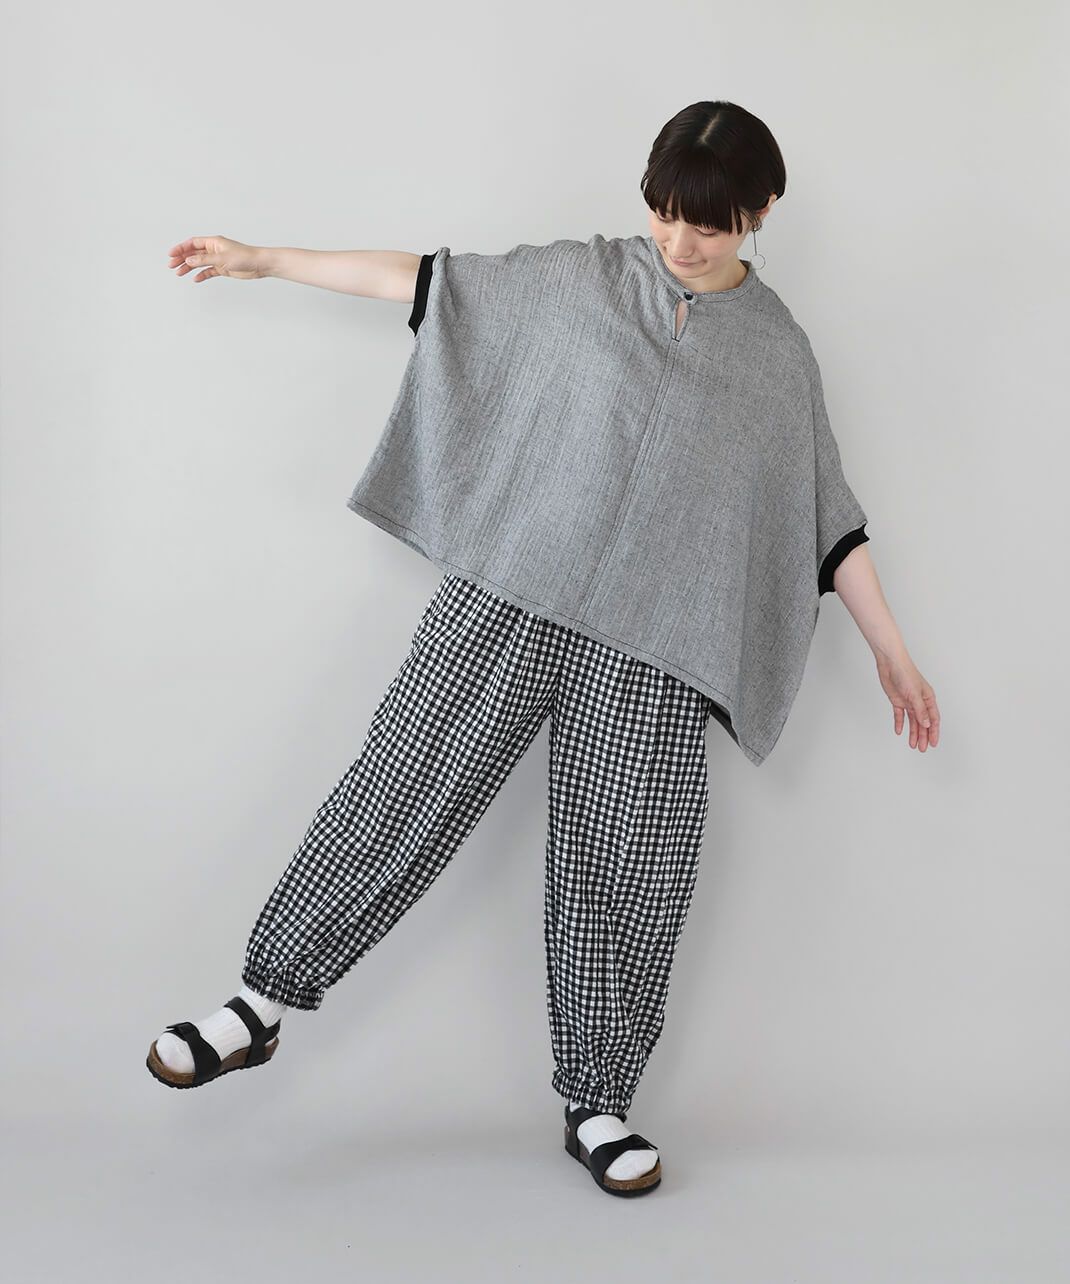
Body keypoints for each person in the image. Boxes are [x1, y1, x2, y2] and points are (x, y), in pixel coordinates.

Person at [145, 101, 940, 1198]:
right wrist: (265, 258)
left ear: (761, 211)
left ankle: (597, 1102)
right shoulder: (580, 278)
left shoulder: (777, 356)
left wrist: (891, 651)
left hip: (656, 648)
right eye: (665, 212)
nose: (680, 241)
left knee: (628, 867)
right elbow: (429, 284)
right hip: (512, 594)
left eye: (709, 223)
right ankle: (261, 1001)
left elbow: (825, 517)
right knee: (398, 788)